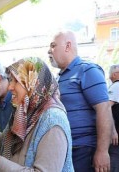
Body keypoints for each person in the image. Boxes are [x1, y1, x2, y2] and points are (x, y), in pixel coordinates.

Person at [0, 57, 74, 171]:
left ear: (33, 83)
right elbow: (4, 141)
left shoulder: (52, 120)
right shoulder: (24, 112)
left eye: (16, 81)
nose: (10, 87)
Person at [48, 30, 112, 171]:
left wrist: (102, 151)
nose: (49, 51)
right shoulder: (60, 77)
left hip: (83, 150)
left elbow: (104, 109)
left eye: (53, 46)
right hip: (67, 149)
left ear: (67, 46)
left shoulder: (87, 70)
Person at [108, 64, 119, 172]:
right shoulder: (117, 86)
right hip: (116, 138)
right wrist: (113, 131)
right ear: (115, 74)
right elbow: (107, 108)